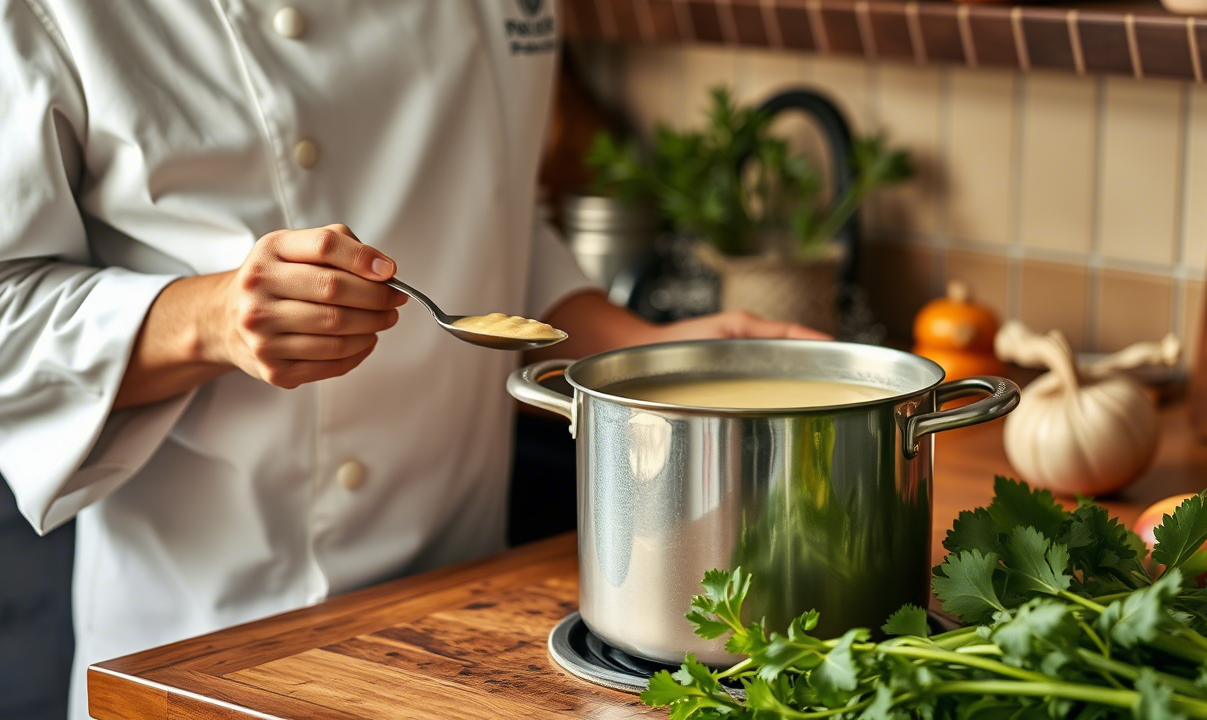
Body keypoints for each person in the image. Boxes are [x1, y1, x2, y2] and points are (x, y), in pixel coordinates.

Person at [0, 2, 827, 717]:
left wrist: (646, 355)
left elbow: (491, 222)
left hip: (462, 625)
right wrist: (210, 318)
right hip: (207, 645)